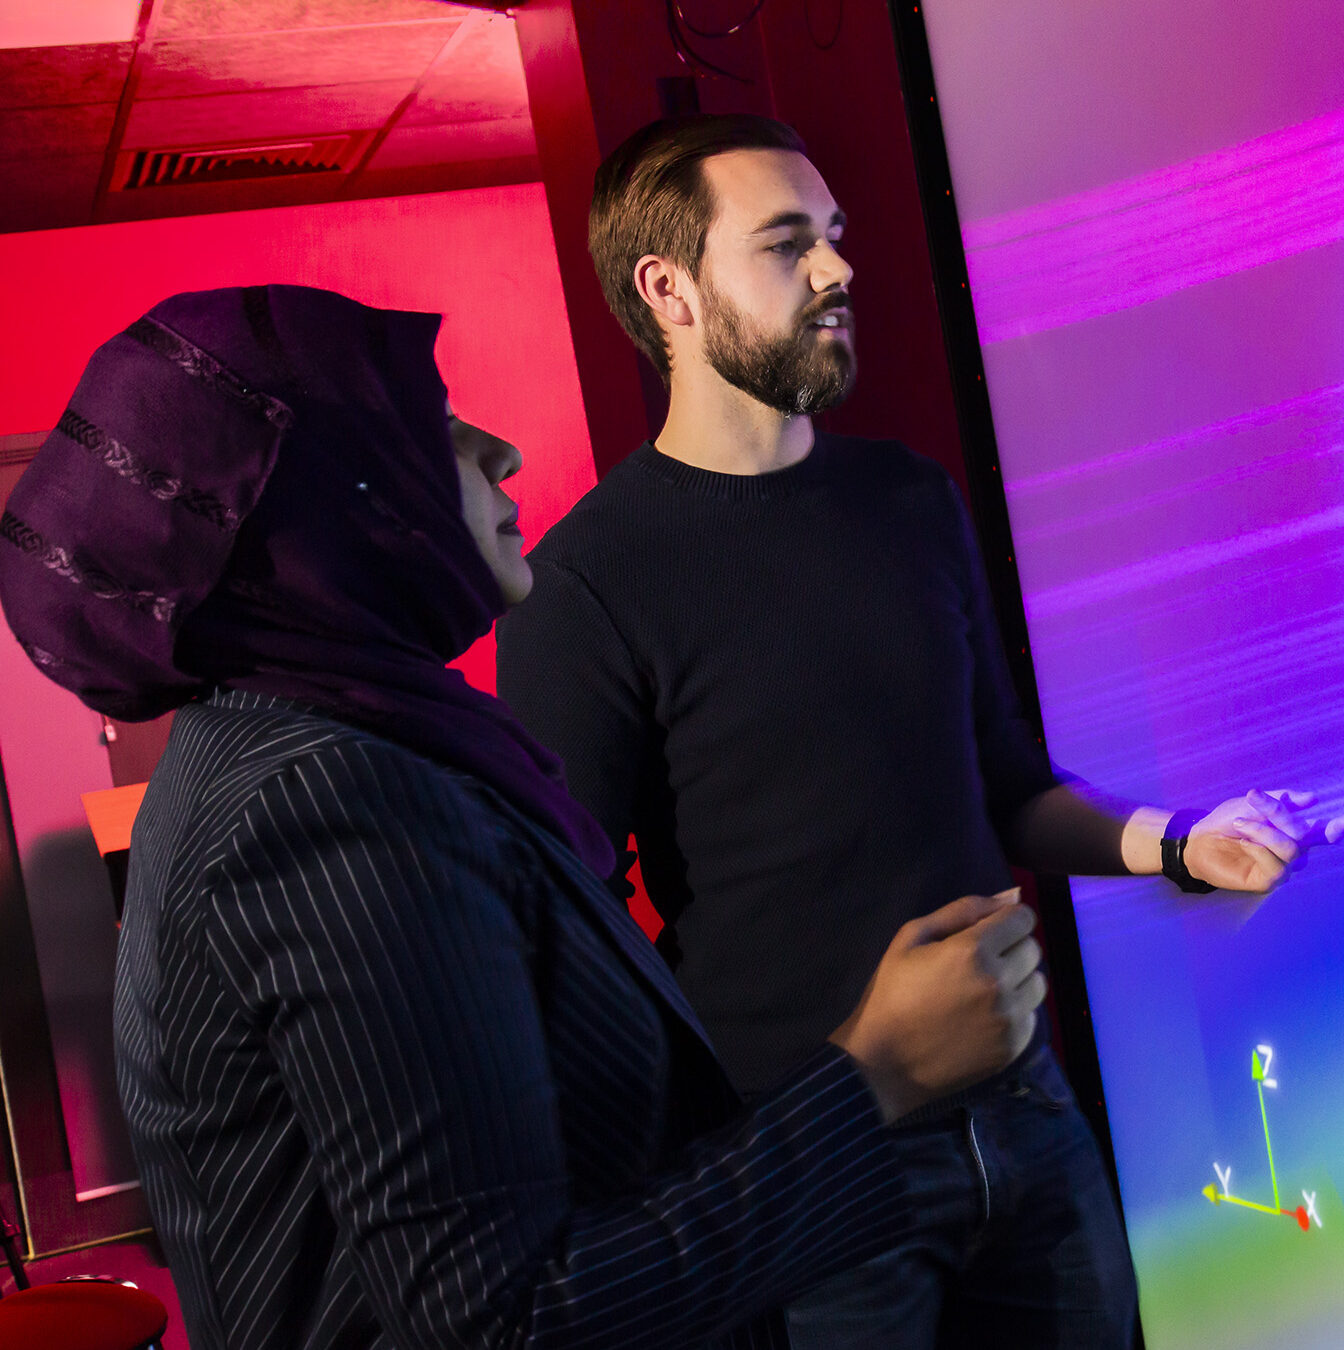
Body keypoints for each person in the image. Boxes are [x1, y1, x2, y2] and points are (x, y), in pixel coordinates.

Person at [0, 285, 1050, 1350]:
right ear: (329, 500)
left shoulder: (314, 745)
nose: (497, 451)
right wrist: (880, 1076)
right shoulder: (331, 802)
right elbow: (505, 1320)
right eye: (433, 424)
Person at [496, 115, 1344, 1347]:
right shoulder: (588, 581)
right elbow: (564, 935)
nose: (840, 271)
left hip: (1028, 1115)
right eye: (788, 245)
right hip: (812, 1166)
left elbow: (1004, 783)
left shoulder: (907, 498)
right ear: (669, 290)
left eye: (833, 238)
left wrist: (1177, 843)